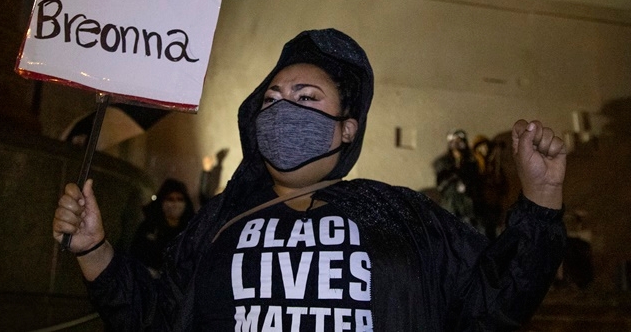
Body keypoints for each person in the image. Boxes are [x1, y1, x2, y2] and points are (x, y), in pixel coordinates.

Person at [52, 28, 567, 331]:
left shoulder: (404, 216)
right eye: (273, 98)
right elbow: (160, 320)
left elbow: (493, 301)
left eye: (307, 98)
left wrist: (541, 198)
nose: (282, 110)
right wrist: (96, 252)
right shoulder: (220, 223)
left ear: (348, 128)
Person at [129, 178, 194, 277]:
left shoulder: (190, 231)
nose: (175, 204)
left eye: (180, 199)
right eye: (170, 199)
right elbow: (135, 254)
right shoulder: (149, 227)